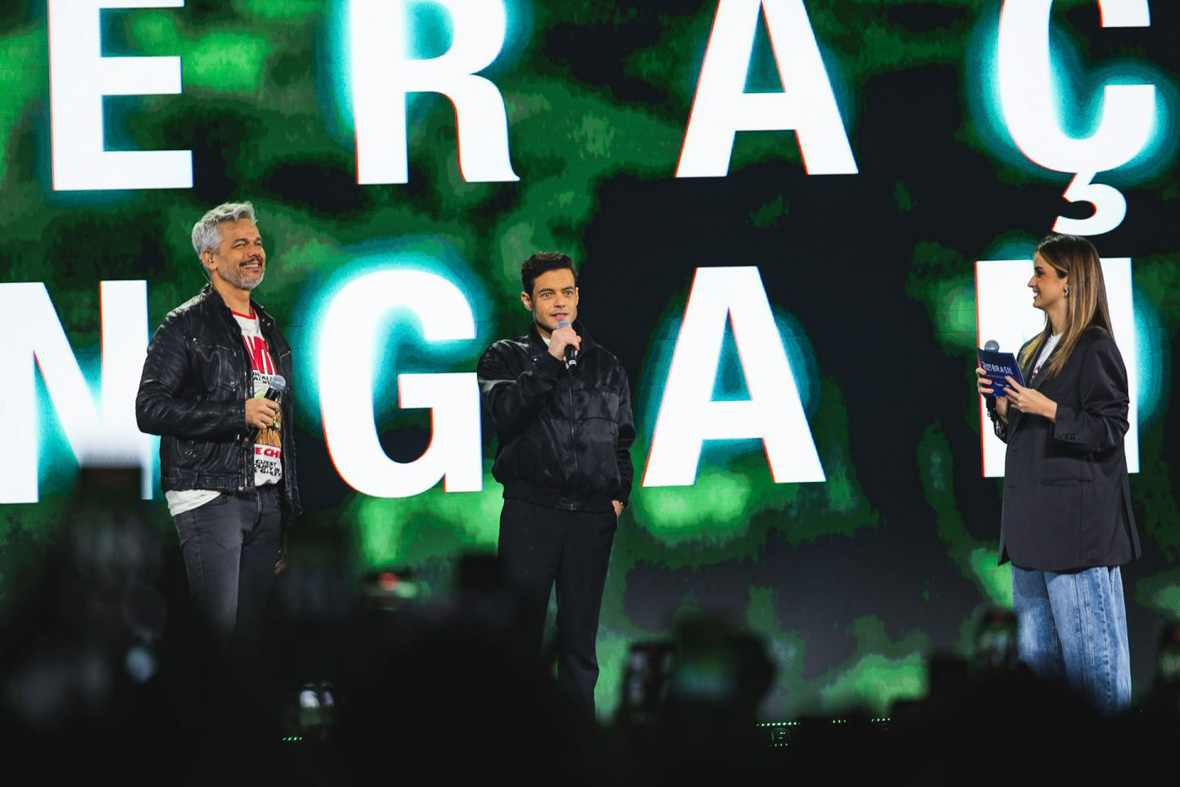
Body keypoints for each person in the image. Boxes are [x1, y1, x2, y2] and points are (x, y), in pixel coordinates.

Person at [976, 233, 1140, 714]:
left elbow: (1111, 427)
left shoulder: (1094, 348)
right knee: (1041, 688)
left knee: (1095, 679)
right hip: (1031, 536)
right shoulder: (1033, 350)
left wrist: (1051, 409)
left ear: (1070, 282)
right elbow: (1023, 437)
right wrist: (1005, 409)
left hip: (1076, 537)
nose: (1031, 281)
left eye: (1041, 272)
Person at [477, 252, 635, 713]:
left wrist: (616, 497)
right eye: (548, 294)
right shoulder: (504, 357)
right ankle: (521, 753)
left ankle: (578, 756)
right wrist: (548, 361)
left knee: (579, 645)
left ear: (578, 296)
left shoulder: (606, 365)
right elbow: (506, 413)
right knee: (520, 641)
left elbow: (622, 440)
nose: (560, 303)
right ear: (528, 300)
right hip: (532, 513)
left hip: (590, 519)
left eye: (568, 292)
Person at [136, 201, 299, 648]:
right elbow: (149, 408)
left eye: (258, 242)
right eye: (239, 244)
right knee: (214, 642)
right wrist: (236, 414)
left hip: (264, 499)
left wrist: (283, 510)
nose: (254, 252)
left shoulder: (270, 330)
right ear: (209, 259)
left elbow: (280, 430)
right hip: (210, 495)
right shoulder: (184, 326)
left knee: (252, 647)